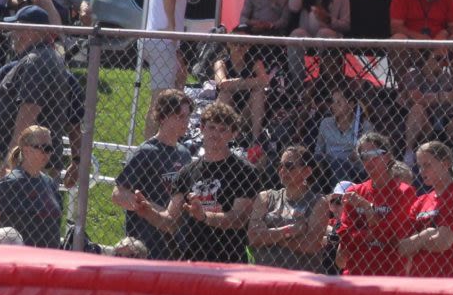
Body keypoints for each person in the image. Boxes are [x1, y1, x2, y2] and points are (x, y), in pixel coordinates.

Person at [135, 102, 258, 264]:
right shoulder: (186, 172)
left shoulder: (245, 171)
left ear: (233, 134)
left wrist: (205, 216)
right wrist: (149, 212)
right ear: (202, 128)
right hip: (192, 258)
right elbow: (171, 221)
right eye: (212, 127)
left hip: (229, 258)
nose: (216, 134)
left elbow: (238, 219)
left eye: (223, 130)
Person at [0, 6, 74, 176]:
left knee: (12, 203)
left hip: (26, 166)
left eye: (16, 28)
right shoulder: (43, 57)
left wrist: (11, 160)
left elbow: (28, 113)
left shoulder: (36, 61)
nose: (12, 34)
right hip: (30, 163)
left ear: (29, 30)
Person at [111, 89, 194, 260]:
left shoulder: (184, 154)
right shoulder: (147, 151)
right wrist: (151, 209)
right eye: (180, 116)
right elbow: (118, 194)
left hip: (174, 243)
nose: (185, 122)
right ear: (163, 117)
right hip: (146, 241)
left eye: (187, 116)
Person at [140, 0, 212, 138]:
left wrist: (177, 48)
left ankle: (166, 140)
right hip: (161, 43)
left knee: (174, 89)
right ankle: (149, 149)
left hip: (162, 44)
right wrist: (172, 29)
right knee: (161, 101)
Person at [336, 131, 415, 276]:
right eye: (364, 156)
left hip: (389, 274)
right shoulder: (355, 191)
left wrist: (368, 209)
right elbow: (345, 236)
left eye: (374, 153)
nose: (369, 160)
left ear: (387, 156)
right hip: (356, 273)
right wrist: (374, 230)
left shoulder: (404, 192)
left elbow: (394, 238)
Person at [398, 140, 453, 278]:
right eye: (419, 166)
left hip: (447, 280)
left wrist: (417, 241)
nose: (422, 171)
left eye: (427, 165)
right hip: (418, 280)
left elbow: (443, 242)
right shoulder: (421, 201)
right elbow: (402, 247)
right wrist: (428, 233)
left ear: (445, 164)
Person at [247, 145, 330, 272]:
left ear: (307, 171)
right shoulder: (266, 197)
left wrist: (269, 236)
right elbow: (253, 237)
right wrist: (289, 231)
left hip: (301, 280)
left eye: (289, 166)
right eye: (280, 166)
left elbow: (311, 245)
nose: (283, 170)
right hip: (265, 277)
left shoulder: (318, 202)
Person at [398, 47, 453, 166]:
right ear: (426, 60)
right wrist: (441, 97)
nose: (443, 63)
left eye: (445, 60)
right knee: (418, 108)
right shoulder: (413, 75)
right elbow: (416, 99)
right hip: (425, 125)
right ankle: (409, 151)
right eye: (438, 59)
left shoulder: (447, 78)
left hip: (446, 123)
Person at [0, 124, 63, 248]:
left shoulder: (49, 183)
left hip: (48, 259)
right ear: (26, 149)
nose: (48, 153)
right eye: (44, 148)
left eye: (50, 148)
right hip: (21, 258)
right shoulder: (11, 183)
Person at [286, 0, 350, 87]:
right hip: (308, 34)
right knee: (296, 34)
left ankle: (325, 84)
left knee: (324, 33)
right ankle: (297, 84)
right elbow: (293, 7)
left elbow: (346, 25)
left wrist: (328, 19)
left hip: (330, 35)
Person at [212, 40, 270, 146]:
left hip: (247, 114)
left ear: (248, 46)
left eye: (243, 44)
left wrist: (233, 83)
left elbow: (264, 81)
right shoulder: (221, 63)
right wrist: (251, 82)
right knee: (225, 94)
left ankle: (256, 140)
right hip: (227, 115)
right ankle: (221, 137)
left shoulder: (254, 62)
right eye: (235, 43)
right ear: (229, 44)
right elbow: (222, 84)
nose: (239, 47)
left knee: (258, 93)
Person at [314, 85, 372, 186]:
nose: (333, 106)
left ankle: (339, 197)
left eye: (339, 103)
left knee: (338, 164)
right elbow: (318, 151)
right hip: (328, 167)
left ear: (351, 104)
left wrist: (358, 156)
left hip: (352, 170)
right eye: (333, 102)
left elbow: (368, 156)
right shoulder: (326, 123)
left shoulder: (363, 126)